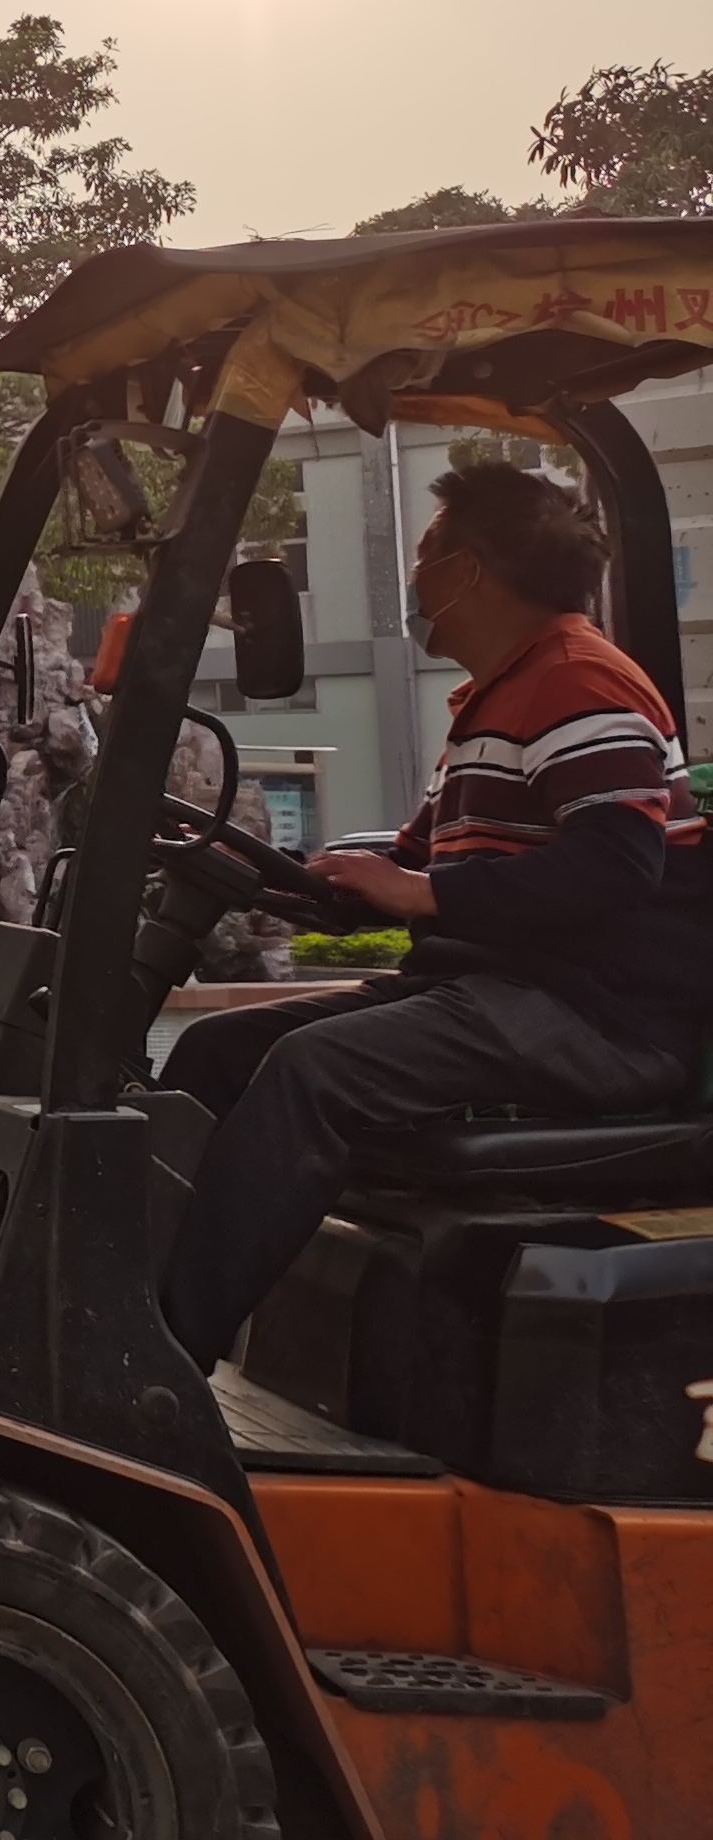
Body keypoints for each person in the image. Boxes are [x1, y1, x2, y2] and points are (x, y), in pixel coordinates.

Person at [157, 458, 709, 1371]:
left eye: (424, 558)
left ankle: (161, 1356)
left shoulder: (579, 681)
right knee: (215, 1051)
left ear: (468, 570)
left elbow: (618, 862)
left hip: (595, 1014)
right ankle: (127, 1291)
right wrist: (300, 883)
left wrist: (420, 894)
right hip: (501, 990)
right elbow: (420, 858)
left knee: (312, 1071)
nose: (414, 582)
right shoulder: (498, 698)